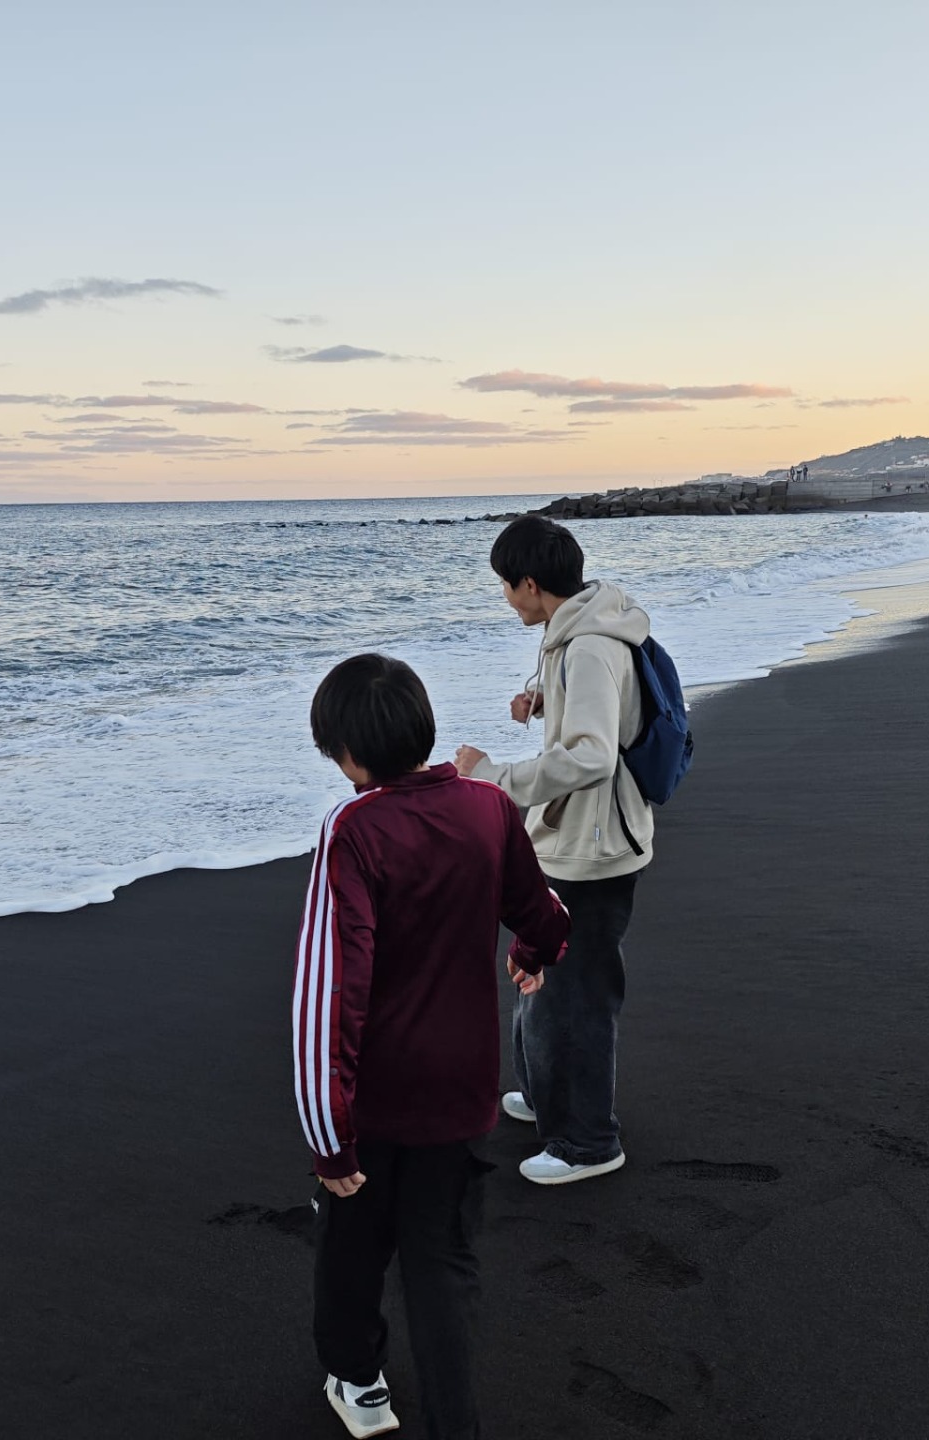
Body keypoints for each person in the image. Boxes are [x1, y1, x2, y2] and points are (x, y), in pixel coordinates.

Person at [298, 653, 570, 1440]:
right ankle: (457, 1422)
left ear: (347, 755)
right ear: (424, 728)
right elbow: (541, 905)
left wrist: (327, 1135)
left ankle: (361, 1385)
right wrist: (534, 951)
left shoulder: (353, 828)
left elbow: (330, 989)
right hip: (462, 1088)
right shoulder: (486, 806)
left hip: (375, 1095)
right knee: (442, 1260)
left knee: (352, 1240)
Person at [453, 516, 653, 1187]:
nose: (505, 599)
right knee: (544, 974)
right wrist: (544, 703)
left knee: (577, 995)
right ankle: (545, 1095)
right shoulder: (572, 633)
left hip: (593, 846)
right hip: (576, 836)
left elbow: (594, 756)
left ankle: (589, 1142)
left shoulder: (588, 646)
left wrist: (496, 782)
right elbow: (602, 716)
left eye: (505, 587)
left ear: (530, 584)